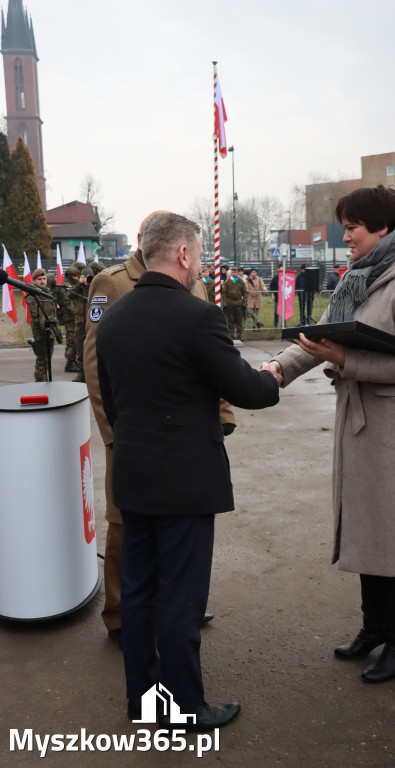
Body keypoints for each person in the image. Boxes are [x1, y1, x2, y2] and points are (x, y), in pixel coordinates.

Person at [262, 186, 395, 684]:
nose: (345, 234)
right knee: (370, 525)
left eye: (352, 226)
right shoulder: (359, 277)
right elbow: (321, 336)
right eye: (345, 225)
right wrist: (277, 369)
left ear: (383, 228)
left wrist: (344, 359)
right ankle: (374, 628)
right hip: (366, 423)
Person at [95, 212, 280, 730]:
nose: (199, 264)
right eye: (198, 255)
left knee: (138, 593)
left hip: (133, 477)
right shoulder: (197, 316)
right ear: (182, 254)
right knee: (180, 598)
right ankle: (184, 708)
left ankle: (144, 701)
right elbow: (243, 389)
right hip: (185, 484)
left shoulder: (113, 317)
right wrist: (273, 375)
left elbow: (112, 402)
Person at [84, 211, 236, 646]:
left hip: (186, 432)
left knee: (178, 533)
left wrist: (222, 413)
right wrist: (113, 432)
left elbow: (211, 359)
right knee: (126, 526)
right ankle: (121, 617)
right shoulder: (112, 284)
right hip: (132, 430)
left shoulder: (196, 282)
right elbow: (96, 367)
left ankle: (176, 607)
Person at [26, 268, 59, 382]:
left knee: (48, 359)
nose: (42, 281)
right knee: (42, 360)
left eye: (44, 279)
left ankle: (44, 381)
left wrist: (55, 330)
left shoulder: (48, 293)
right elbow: (38, 317)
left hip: (50, 331)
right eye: (39, 279)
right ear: (34, 281)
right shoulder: (31, 296)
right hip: (41, 332)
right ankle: (40, 382)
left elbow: (53, 313)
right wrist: (49, 330)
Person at [222, 266, 247, 341]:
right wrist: (225, 303)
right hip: (230, 303)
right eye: (233, 272)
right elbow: (224, 293)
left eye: (236, 272)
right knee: (230, 320)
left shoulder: (241, 281)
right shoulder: (227, 282)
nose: (234, 273)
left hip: (238, 303)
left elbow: (245, 292)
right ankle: (231, 335)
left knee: (239, 320)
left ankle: (240, 335)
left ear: (237, 273)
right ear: (231, 273)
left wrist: (244, 303)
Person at [269, 264, 281, 328]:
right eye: (281, 269)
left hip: (284, 299)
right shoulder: (275, 278)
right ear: (278, 270)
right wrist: (275, 292)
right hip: (277, 298)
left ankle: (284, 324)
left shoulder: (286, 277)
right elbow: (271, 286)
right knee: (276, 311)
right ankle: (275, 324)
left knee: (284, 312)